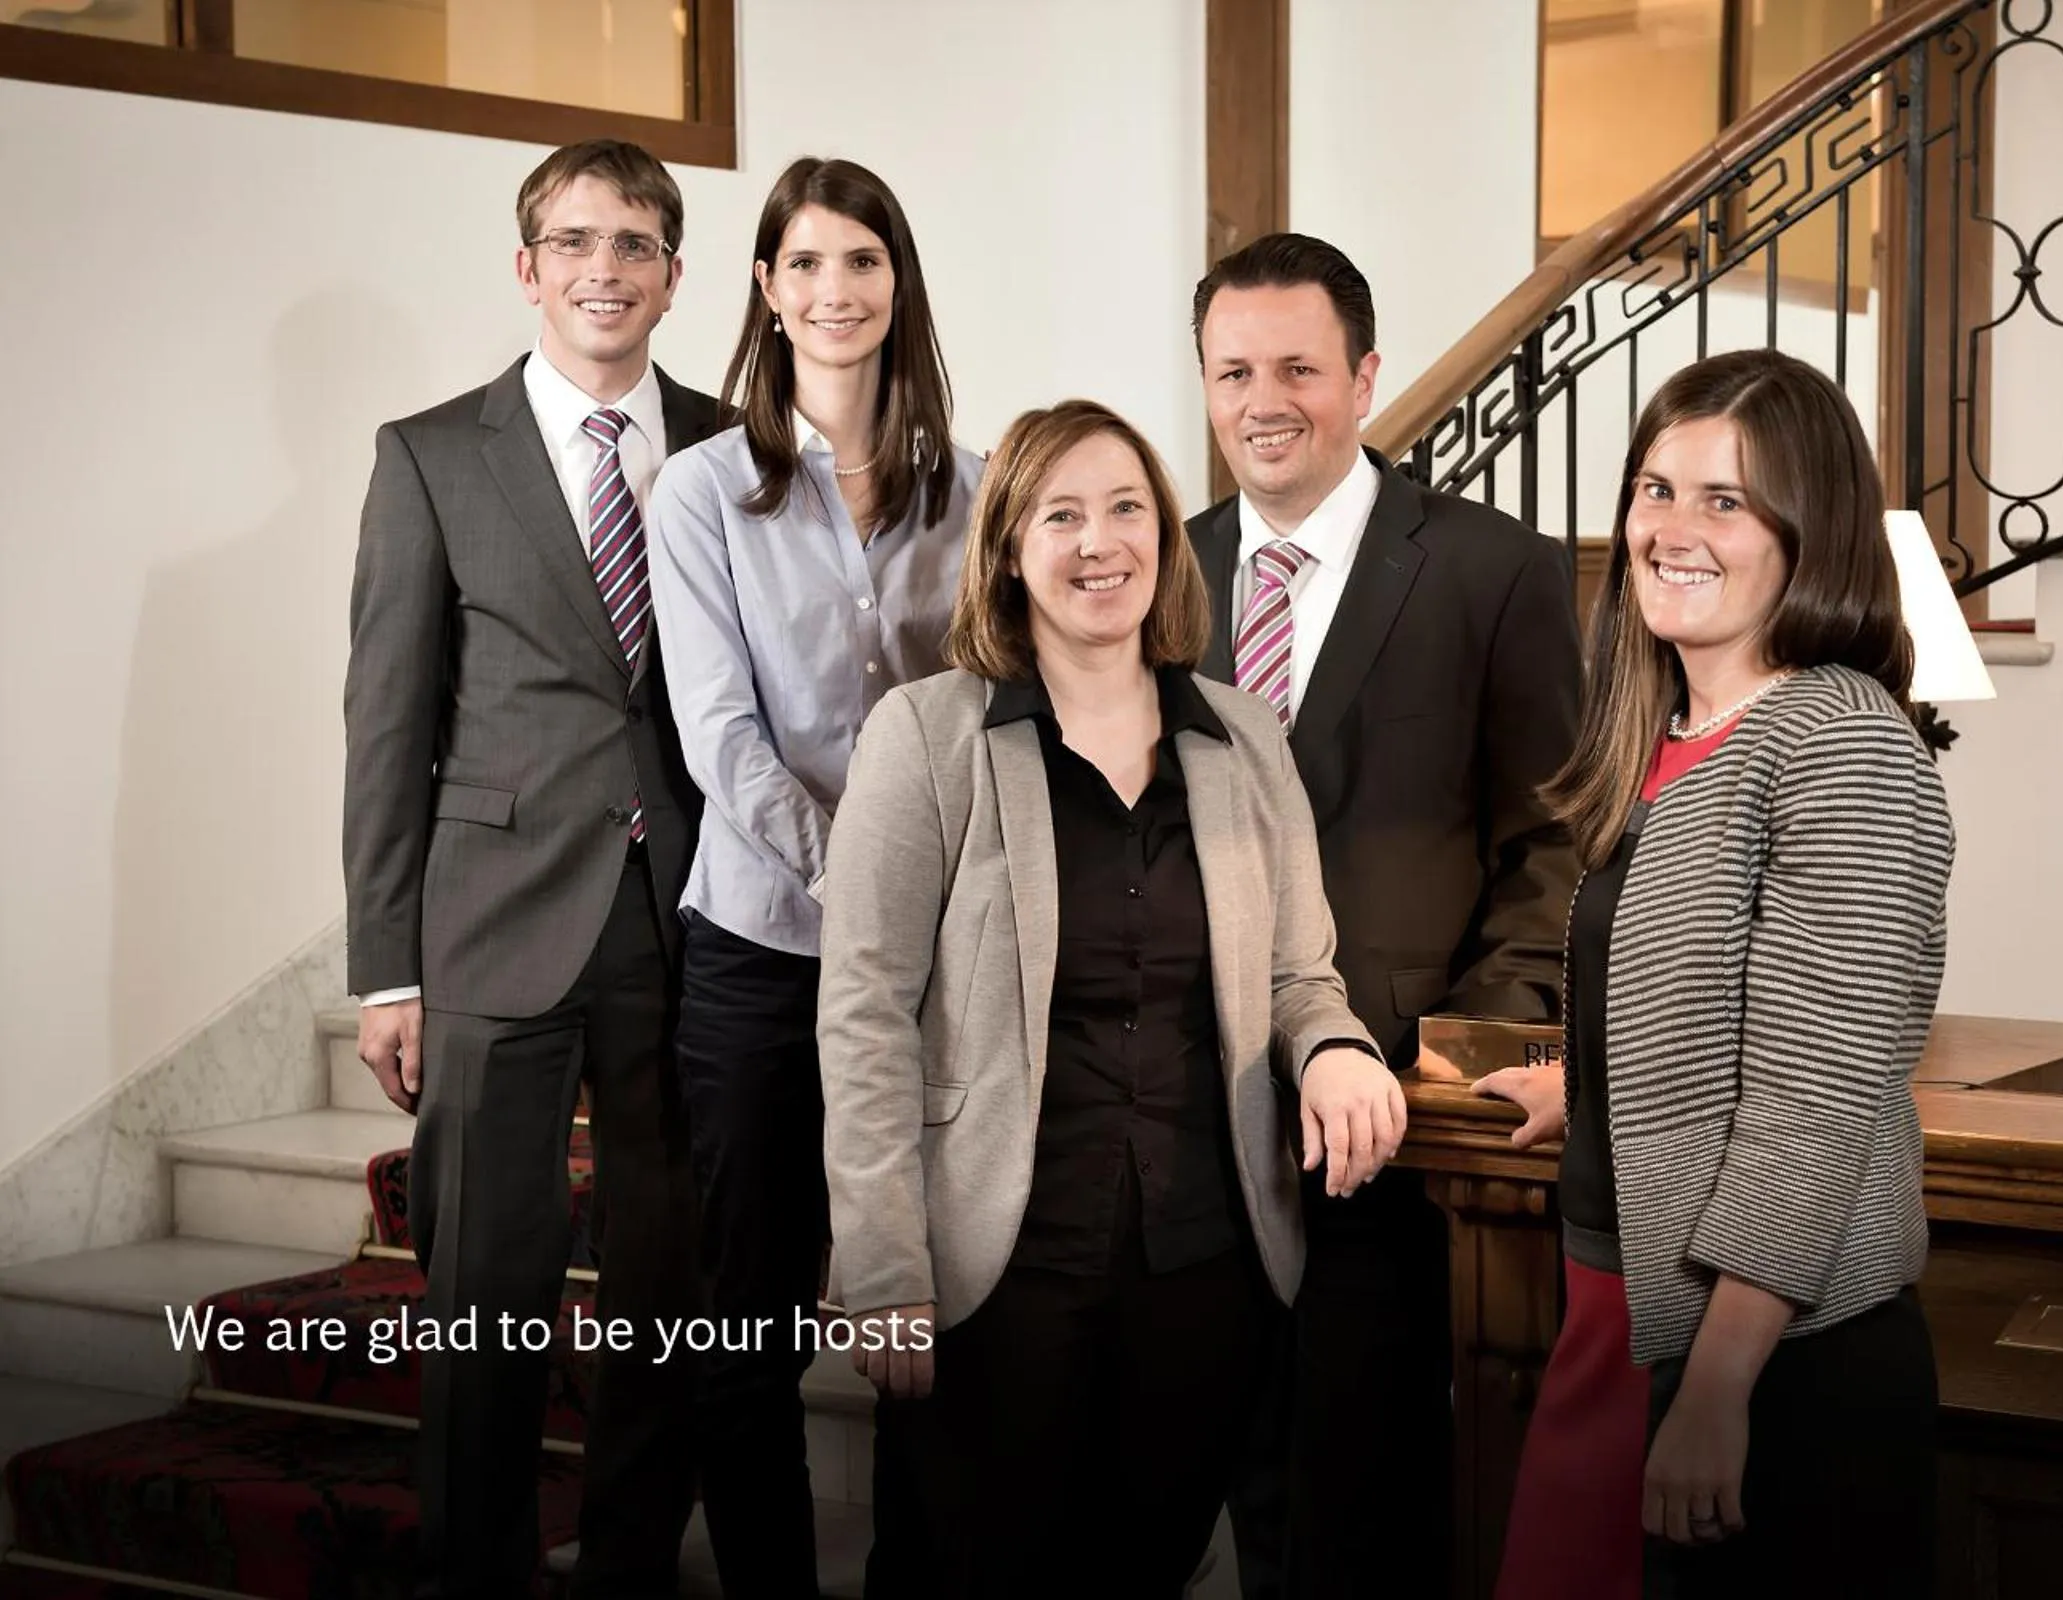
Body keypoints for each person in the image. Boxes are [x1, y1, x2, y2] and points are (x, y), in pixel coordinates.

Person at [815, 399, 1407, 1598]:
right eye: (1062, 513)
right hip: (995, 1266)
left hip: (1201, 1263)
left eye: (1127, 507)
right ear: (1009, 547)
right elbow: (866, 1010)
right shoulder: (926, 735)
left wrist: (1335, 1048)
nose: (1101, 542)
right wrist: (881, 1263)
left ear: (1165, 537)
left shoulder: (1241, 740)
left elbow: (1300, 971)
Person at [1484, 347, 1953, 1599]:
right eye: (1654, 489)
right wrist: (1588, 1092)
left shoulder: (1841, 739)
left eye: (1724, 501)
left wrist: (1718, 1390)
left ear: (1811, 531)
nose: (1670, 530)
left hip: (1768, 1357)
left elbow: (1813, 1101)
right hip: (1614, 1314)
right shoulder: (1672, 738)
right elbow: (1694, 1004)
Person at [342, 138, 714, 1598]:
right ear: (527, 269)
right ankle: (476, 1568)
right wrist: (389, 966)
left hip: (691, 917)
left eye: (634, 244)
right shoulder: (431, 454)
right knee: (486, 1289)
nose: (604, 269)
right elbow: (386, 719)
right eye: (575, 243)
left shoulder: (737, 446)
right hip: (493, 930)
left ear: (674, 276)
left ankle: (630, 1562)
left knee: (668, 1290)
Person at [1187, 232, 1583, 1598]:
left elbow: (1552, 844)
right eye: (1233, 370)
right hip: (1196, 1115)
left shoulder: (1495, 571)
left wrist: (1468, 1048)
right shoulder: (1163, 575)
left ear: (1363, 377)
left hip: (1392, 1114)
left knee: (1369, 1503)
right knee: (1237, 1496)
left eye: (1298, 366)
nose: (1264, 399)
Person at [645, 155, 977, 1600]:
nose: (833, 291)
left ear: (896, 285)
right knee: (747, 1314)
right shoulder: (701, 490)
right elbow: (719, 733)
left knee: (931, 1297)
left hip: (942, 963)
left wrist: (916, 910)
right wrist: (857, 892)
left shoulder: (976, 489)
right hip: (761, 948)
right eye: (805, 265)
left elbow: (993, 706)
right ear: (767, 292)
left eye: (862, 261)